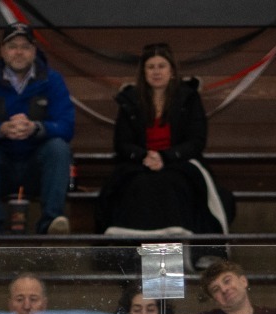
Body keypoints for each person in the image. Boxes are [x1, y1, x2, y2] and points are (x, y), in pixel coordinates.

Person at [95, 44, 230, 237]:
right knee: (133, 185)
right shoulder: (130, 100)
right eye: (151, 67)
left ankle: (179, 255)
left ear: (172, 71)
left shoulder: (189, 98)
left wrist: (165, 157)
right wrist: (145, 156)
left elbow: (196, 141)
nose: (156, 71)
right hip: (139, 163)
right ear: (143, 72)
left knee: (175, 184)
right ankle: (129, 254)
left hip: (181, 163)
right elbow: (122, 142)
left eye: (161, 66)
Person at [0, 23, 73, 235]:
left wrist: (36, 127)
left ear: (34, 51)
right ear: (3, 51)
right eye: (13, 46)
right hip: (0, 167)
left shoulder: (53, 80)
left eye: (25, 46)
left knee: (59, 148)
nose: (19, 52)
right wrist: (1, 129)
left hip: (37, 170)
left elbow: (67, 126)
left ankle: (51, 222)